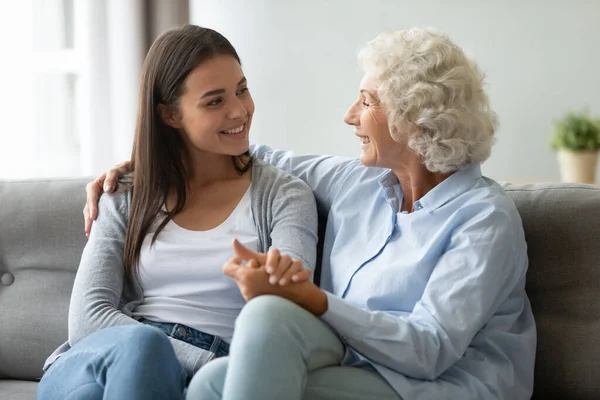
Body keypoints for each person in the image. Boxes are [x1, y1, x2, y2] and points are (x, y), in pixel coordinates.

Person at [85, 28, 536, 400]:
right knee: (211, 380)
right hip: (358, 369)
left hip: (444, 387)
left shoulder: (483, 218)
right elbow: (242, 150)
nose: (349, 116)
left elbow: (430, 350)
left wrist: (311, 299)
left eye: (366, 101)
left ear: (414, 120)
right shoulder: (355, 184)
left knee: (253, 337)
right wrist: (144, 166)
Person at [37, 25, 318, 400]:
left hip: (203, 380)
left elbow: (293, 307)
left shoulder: (284, 197)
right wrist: (210, 363)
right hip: (105, 361)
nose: (240, 110)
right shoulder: (125, 195)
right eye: (214, 101)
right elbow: (89, 319)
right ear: (170, 115)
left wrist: (224, 373)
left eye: (242, 90)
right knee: (144, 347)